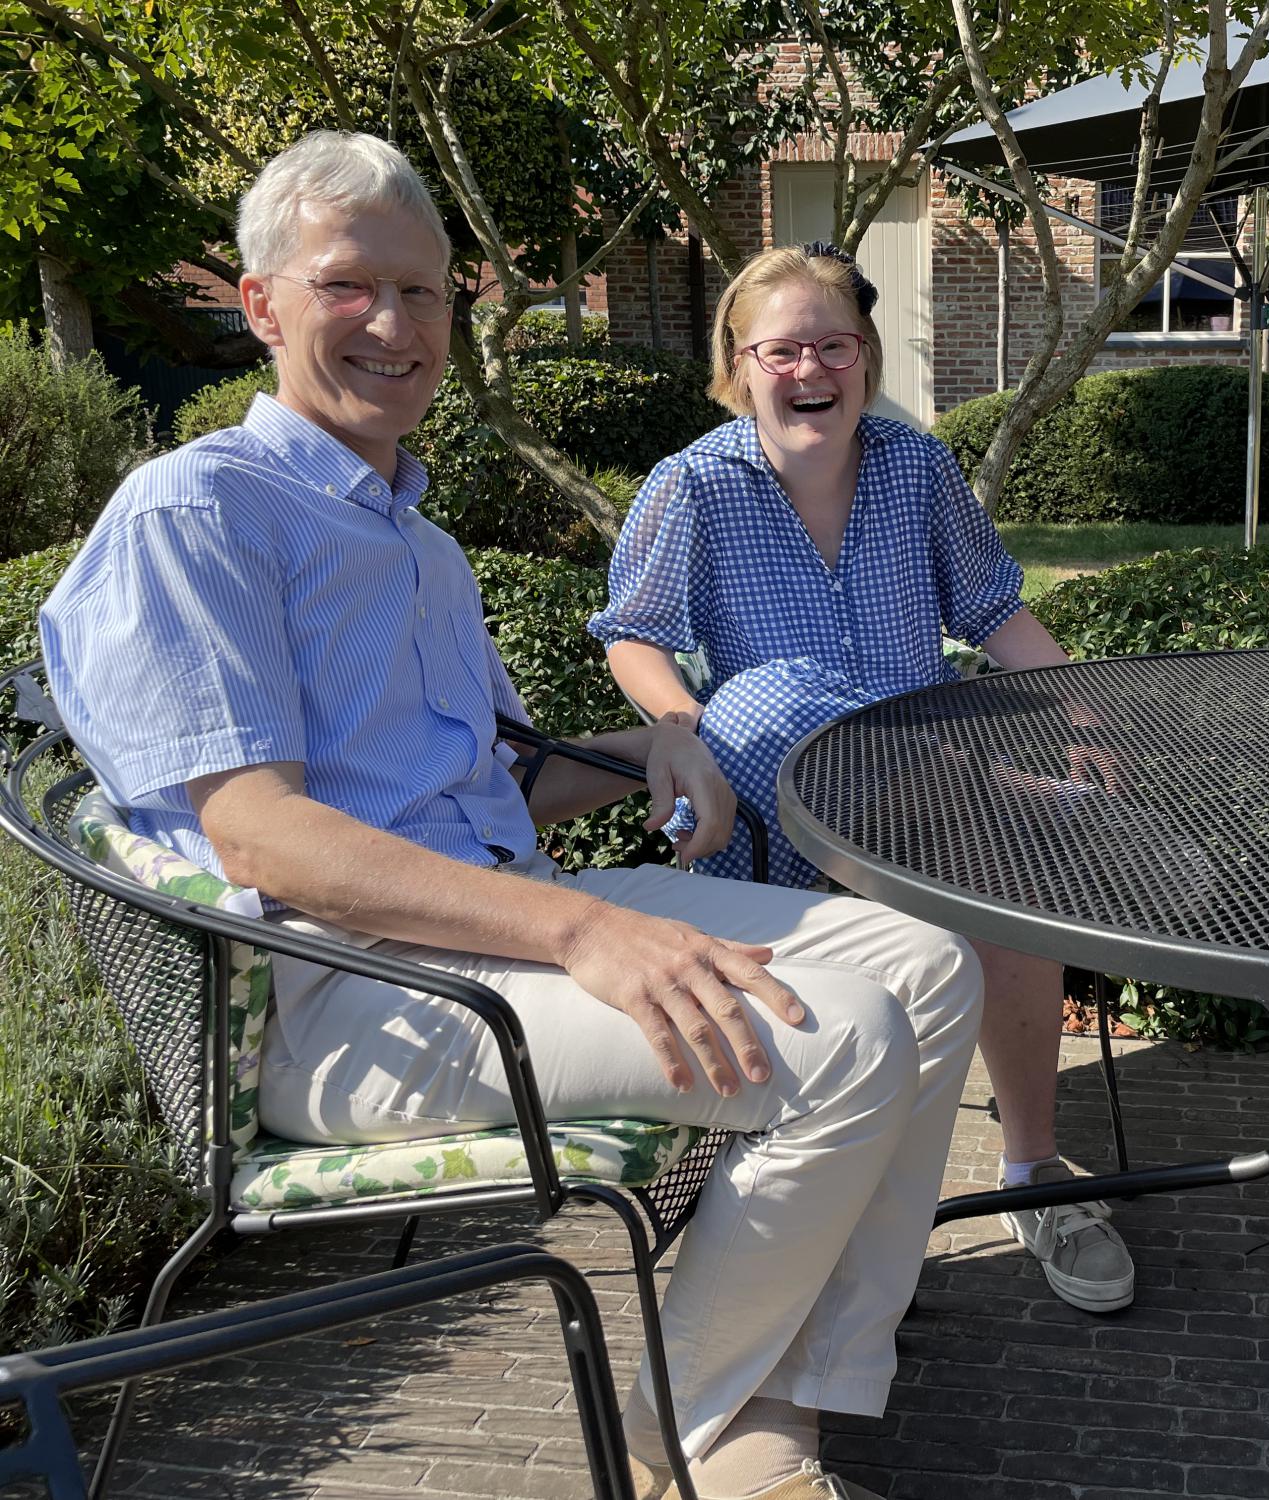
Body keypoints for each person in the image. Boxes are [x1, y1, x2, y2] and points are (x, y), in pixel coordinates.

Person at [39, 131, 985, 1500]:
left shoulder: (412, 539)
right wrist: (584, 931)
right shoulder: (197, 515)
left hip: (492, 931)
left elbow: (496, 784)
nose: (393, 323)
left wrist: (674, 735)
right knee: (843, 1040)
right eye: (349, 284)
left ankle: (784, 1388)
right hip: (350, 990)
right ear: (259, 305)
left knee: (928, 964)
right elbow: (263, 837)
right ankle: (679, 1439)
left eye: (423, 292)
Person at [587, 243, 1137, 1315]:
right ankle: (1013, 799)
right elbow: (635, 637)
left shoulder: (915, 467)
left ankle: (1032, 1176)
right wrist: (676, 727)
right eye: (782, 349)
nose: (810, 369)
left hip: (924, 798)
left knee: (998, 878)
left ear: (866, 358)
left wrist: (1087, 708)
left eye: (833, 345)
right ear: (739, 366)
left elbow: (990, 611)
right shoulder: (688, 486)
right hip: (772, 807)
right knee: (769, 698)